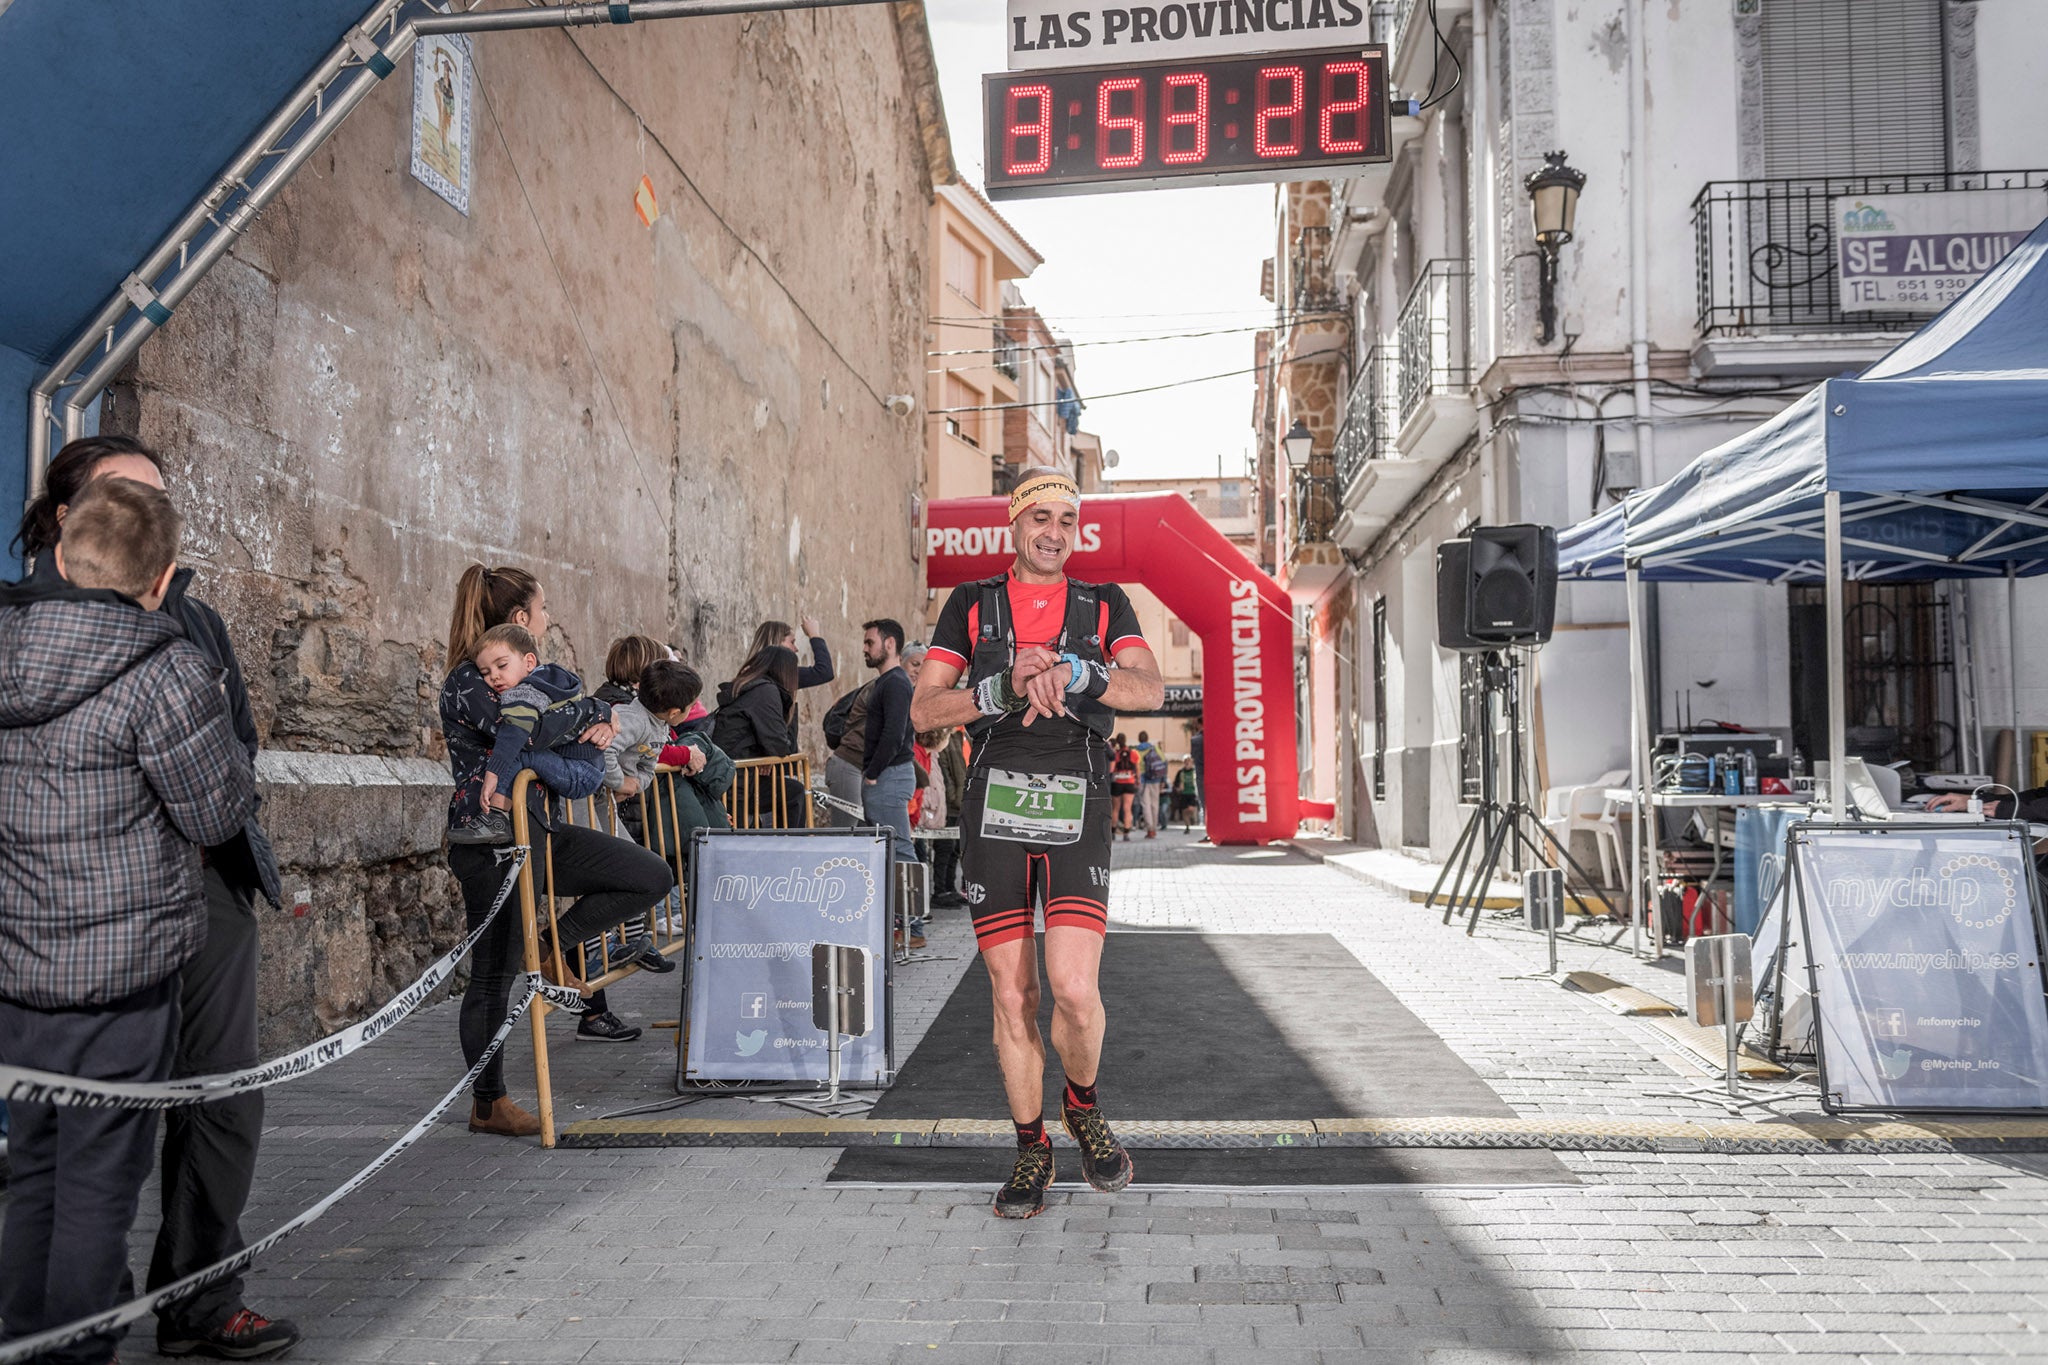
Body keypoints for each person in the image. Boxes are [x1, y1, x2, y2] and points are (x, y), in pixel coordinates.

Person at [11, 435, 299, 1359]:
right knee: (87, 1160)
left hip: (195, 889)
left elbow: (238, 748)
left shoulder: (195, 624)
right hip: (98, 918)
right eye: (123, 496)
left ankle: (197, 1296)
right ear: (68, 519)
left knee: (215, 1098)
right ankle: (80, 1312)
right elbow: (213, 788)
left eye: (160, 500)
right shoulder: (27, 623)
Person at [912, 466, 1163, 1219]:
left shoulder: (1103, 602)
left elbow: (1148, 688)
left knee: (1075, 993)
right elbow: (925, 710)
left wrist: (1082, 671)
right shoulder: (972, 603)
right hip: (997, 803)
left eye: (1066, 518)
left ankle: (1080, 1103)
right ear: (1013, 526)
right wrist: (999, 689)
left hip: (1076, 796)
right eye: (1039, 517)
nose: (1054, 532)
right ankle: (1031, 1147)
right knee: (1012, 992)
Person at [440, 565, 676, 1109]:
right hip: (491, 843)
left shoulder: (534, 676)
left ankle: (552, 946)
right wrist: (594, 713)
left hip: (540, 830)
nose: (550, 618)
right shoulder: (469, 679)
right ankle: (489, 1102)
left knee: (648, 875)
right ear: (522, 618)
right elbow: (525, 727)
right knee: (492, 977)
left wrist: (598, 712)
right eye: (544, 609)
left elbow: (559, 714)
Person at [452, 624, 612, 847]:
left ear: (529, 662)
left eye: (502, 665)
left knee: (519, 753)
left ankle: (495, 818)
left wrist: (493, 772)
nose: (494, 678)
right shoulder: (549, 678)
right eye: (485, 673)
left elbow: (515, 730)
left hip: (580, 771)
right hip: (588, 767)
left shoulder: (527, 691)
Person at [861, 619, 923, 948]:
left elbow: (894, 733)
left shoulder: (896, 682)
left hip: (889, 775)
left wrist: (873, 771)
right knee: (892, 850)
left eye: (870, 642)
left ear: (889, 645)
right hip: (887, 774)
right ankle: (904, 926)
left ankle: (913, 929)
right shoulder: (890, 682)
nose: (865, 648)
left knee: (900, 850)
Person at [712, 644, 804, 826]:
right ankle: (793, 848)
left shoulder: (748, 687)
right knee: (794, 793)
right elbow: (780, 744)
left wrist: (767, 755)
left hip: (731, 778)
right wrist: (771, 753)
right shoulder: (765, 691)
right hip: (737, 784)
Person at [748, 615, 835, 691]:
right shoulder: (778, 674)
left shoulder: (753, 673)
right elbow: (824, 672)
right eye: (792, 642)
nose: (796, 649)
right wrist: (814, 634)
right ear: (777, 643)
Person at [1134, 730, 1168, 840]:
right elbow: (1164, 762)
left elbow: (1135, 767)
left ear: (1139, 739)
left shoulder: (1136, 751)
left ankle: (1150, 830)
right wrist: (1163, 780)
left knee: (1145, 805)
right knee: (1155, 804)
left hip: (1143, 780)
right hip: (1156, 779)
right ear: (1147, 738)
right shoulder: (1155, 748)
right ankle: (1154, 827)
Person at [1109, 734, 1140, 840]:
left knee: (1115, 808)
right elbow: (1137, 769)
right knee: (1127, 808)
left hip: (1117, 782)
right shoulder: (1133, 753)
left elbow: (1112, 769)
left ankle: (1112, 832)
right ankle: (1126, 833)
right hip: (1129, 782)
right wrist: (1138, 780)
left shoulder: (1116, 754)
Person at [1171, 759, 1202, 831]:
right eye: (1186, 762)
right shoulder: (1181, 772)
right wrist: (1178, 788)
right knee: (1184, 811)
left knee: (1191, 809)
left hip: (1192, 793)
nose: (1187, 763)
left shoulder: (1194, 771)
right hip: (1184, 793)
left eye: (1189, 762)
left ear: (1191, 763)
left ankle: (1191, 817)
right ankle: (1187, 826)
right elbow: (1175, 782)